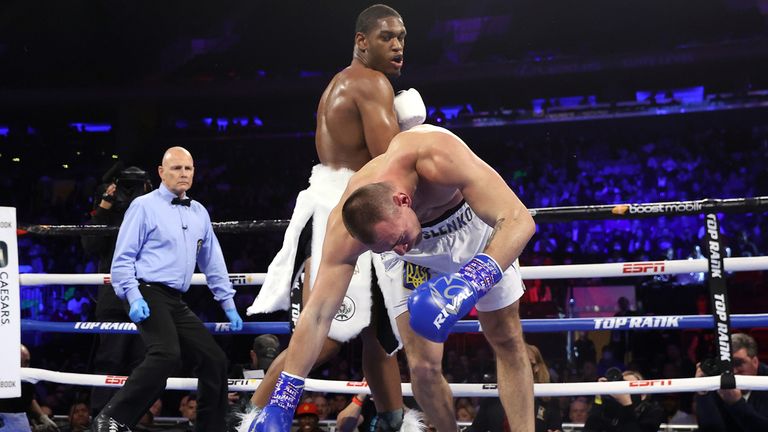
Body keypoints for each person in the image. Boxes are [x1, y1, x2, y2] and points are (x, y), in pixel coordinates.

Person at [254, 124, 536, 432]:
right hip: (416, 262)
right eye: (388, 246)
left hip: (473, 233)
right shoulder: (348, 228)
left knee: (506, 338)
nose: (400, 247)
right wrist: (284, 399)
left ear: (402, 200)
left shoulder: (437, 156)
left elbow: (519, 221)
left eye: (398, 237)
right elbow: (319, 313)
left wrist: (470, 281)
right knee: (423, 368)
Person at [244, 4, 426, 431]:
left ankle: (392, 422)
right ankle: (253, 418)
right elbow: (391, 160)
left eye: (402, 36)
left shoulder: (348, 81)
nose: (398, 44)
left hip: (348, 209)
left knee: (379, 336)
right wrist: (413, 128)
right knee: (323, 337)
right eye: (386, 37)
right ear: (362, 41)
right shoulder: (370, 83)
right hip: (350, 214)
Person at [91, 146, 243, 432]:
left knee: (214, 359)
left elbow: (213, 262)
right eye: (176, 168)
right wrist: (133, 296)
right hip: (146, 291)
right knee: (165, 354)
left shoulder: (198, 212)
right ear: (162, 172)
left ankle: (211, 427)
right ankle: (112, 418)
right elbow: (122, 259)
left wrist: (229, 304)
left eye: (188, 168)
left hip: (175, 298)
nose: (183, 174)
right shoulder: (144, 206)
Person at [81, 164, 152, 415]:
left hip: (147, 295)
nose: (129, 192)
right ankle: (101, 418)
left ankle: (135, 417)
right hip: (114, 298)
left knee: (142, 363)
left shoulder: (155, 209)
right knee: (109, 359)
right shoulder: (108, 212)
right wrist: (104, 207)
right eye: (126, 186)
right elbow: (90, 245)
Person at [468, 344, 562, 432]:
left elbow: (556, 428)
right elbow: (475, 429)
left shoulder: (548, 401)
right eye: (515, 362)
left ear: (536, 367)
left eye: (526, 363)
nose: (520, 367)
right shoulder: (492, 400)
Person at [695, 332, 768, 431]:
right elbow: (709, 428)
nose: (733, 370)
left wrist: (737, 404)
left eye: (738, 363)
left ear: (755, 362)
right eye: (727, 364)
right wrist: (702, 392)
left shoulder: (765, 380)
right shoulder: (717, 377)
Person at [0, 345, 59, 432]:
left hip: (20, 422)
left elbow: (30, 399)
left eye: (27, 362)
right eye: (20, 362)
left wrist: (42, 417)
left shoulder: (27, 380)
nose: (24, 366)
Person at [583, 370, 665, 432]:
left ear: (643, 395)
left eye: (629, 386)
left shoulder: (652, 411)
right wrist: (598, 398)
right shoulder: (609, 409)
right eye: (622, 385)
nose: (624, 391)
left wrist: (627, 405)